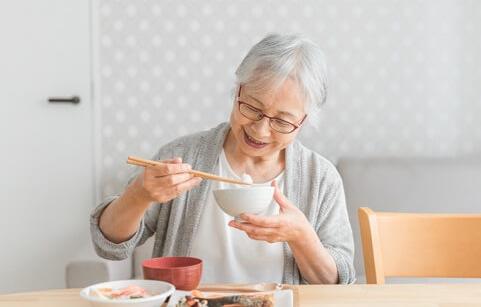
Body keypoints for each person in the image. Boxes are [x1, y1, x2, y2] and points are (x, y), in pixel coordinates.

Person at [90, 33, 356, 285]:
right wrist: (139, 193)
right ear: (238, 90)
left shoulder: (320, 177)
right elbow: (109, 245)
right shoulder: (184, 156)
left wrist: (301, 237)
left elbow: (339, 280)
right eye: (252, 108)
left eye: (282, 121)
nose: (260, 129)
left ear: (302, 120)